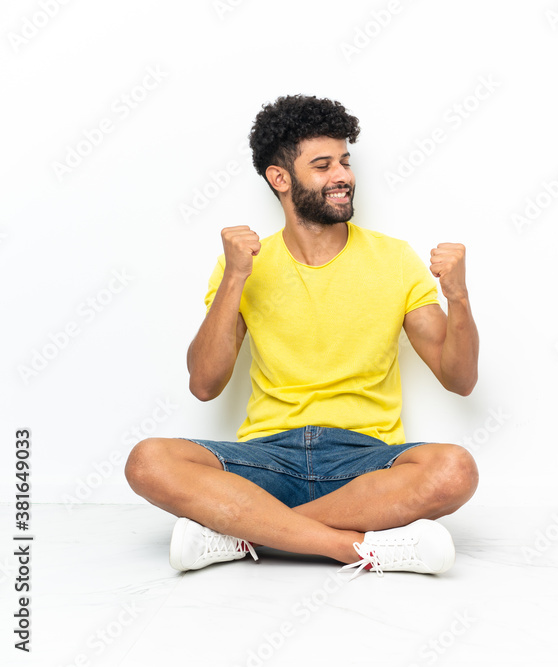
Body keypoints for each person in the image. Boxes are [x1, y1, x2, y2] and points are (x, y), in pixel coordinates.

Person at [125, 95, 479, 579]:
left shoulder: (395, 259)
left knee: (456, 469)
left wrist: (458, 298)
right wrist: (234, 280)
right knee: (147, 461)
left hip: (365, 463)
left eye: (345, 162)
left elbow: (458, 379)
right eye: (323, 164)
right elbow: (204, 384)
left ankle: (241, 535)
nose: (343, 176)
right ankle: (352, 548)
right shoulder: (243, 268)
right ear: (280, 178)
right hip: (269, 458)